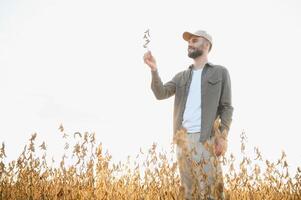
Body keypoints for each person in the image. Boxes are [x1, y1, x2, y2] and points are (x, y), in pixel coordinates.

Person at [143, 29, 233, 200]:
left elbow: (227, 107)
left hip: (206, 139)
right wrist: (154, 70)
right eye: (188, 42)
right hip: (183, 141)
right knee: (189, 193)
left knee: (213, 193)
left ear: (206, 45)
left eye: (194, 40)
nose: (189, 44)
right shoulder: (181, 77)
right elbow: (160, 93)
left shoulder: (220, 72)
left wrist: (223, 136)